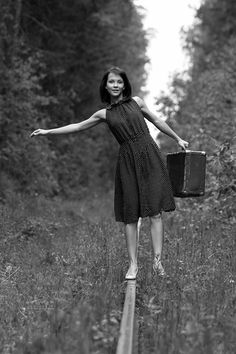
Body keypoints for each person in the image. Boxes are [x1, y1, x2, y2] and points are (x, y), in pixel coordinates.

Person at [31, 66, 189, 280]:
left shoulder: (137, 102)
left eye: (119, 82)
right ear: (106, 85)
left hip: (149, 154)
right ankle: (133, 265)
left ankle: (157, 263)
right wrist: (48, 131)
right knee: (130, 214)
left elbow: (157, 121)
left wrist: (177, 138)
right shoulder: (103, 114)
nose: (115, 85)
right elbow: (78, 127)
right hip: (127, 160)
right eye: (111, 82)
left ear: (124, 84)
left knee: (155, 212)